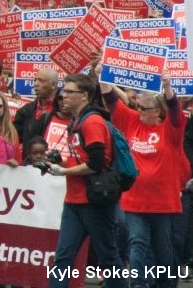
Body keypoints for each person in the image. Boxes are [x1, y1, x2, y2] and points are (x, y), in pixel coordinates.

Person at [101, 73, 186, 288]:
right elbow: (111, 101)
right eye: (138, 107)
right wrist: (102, 75)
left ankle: (166, 284)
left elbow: (175, 111)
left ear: (157, 110)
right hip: (135, 200)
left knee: (163, 248)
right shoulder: (131, 122)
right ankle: (138, 283)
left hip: (163, 202)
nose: (138, 112)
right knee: (137, 242)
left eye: (143, 108)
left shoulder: (170, 130)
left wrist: (167, 87)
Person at [45, 73, 126, 288]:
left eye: (69, 92)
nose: (63, 96)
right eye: (64, 91)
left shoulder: (92, 122)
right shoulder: (77, 121)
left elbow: (96, 163)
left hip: (95, 202)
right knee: (63, 258)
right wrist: (58, 164)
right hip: (74, 202)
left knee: (108, 259)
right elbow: (80, 159)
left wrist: (63, 172)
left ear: (84, 95)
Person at [14, 68, 58, 155]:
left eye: (41, 81)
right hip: (29, 163)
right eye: (35, 80)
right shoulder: (25, 110)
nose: (36, 84)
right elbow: (15, 137)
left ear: (53, 85)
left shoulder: (64, 110)